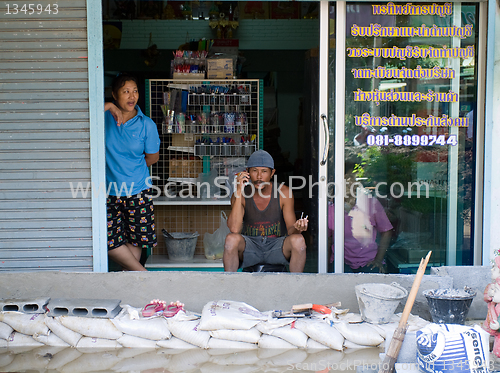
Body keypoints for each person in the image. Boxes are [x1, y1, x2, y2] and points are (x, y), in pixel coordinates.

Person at [104, 73, 160, 271]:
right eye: (125, 91)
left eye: (135, 91)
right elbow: (82, 115)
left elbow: (152, 158)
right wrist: (108, 106)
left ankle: (131, 293)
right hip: (109, 191)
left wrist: (130, 167)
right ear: (114, 94)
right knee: (108, 241)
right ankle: (144, 275)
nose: (131, 96)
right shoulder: (104, 118)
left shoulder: (146, 124)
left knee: (136, 242)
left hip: (138, 190)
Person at [223, 150, 308, 272]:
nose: (259, 177)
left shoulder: (284, 193)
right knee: (231, 240)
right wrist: (238, 191)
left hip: (276, 248)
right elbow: (234, 229)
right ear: (247, 172)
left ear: (272, 173)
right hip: (250, 247)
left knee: (299, 241)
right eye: (254, 171)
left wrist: (298, 228)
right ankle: (230, 287)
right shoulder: (240, 194)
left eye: (264, 171)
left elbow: (291, 231)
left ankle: (295, 287)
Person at [328, 165, 392, 273]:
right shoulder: (332, 209)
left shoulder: (371, 204)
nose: (347, 183)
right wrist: (325, 268)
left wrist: (378, 260)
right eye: (343, 180)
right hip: (342, 261)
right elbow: (328, 239)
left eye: (350, 179)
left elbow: (387, 231)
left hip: (369, 260)